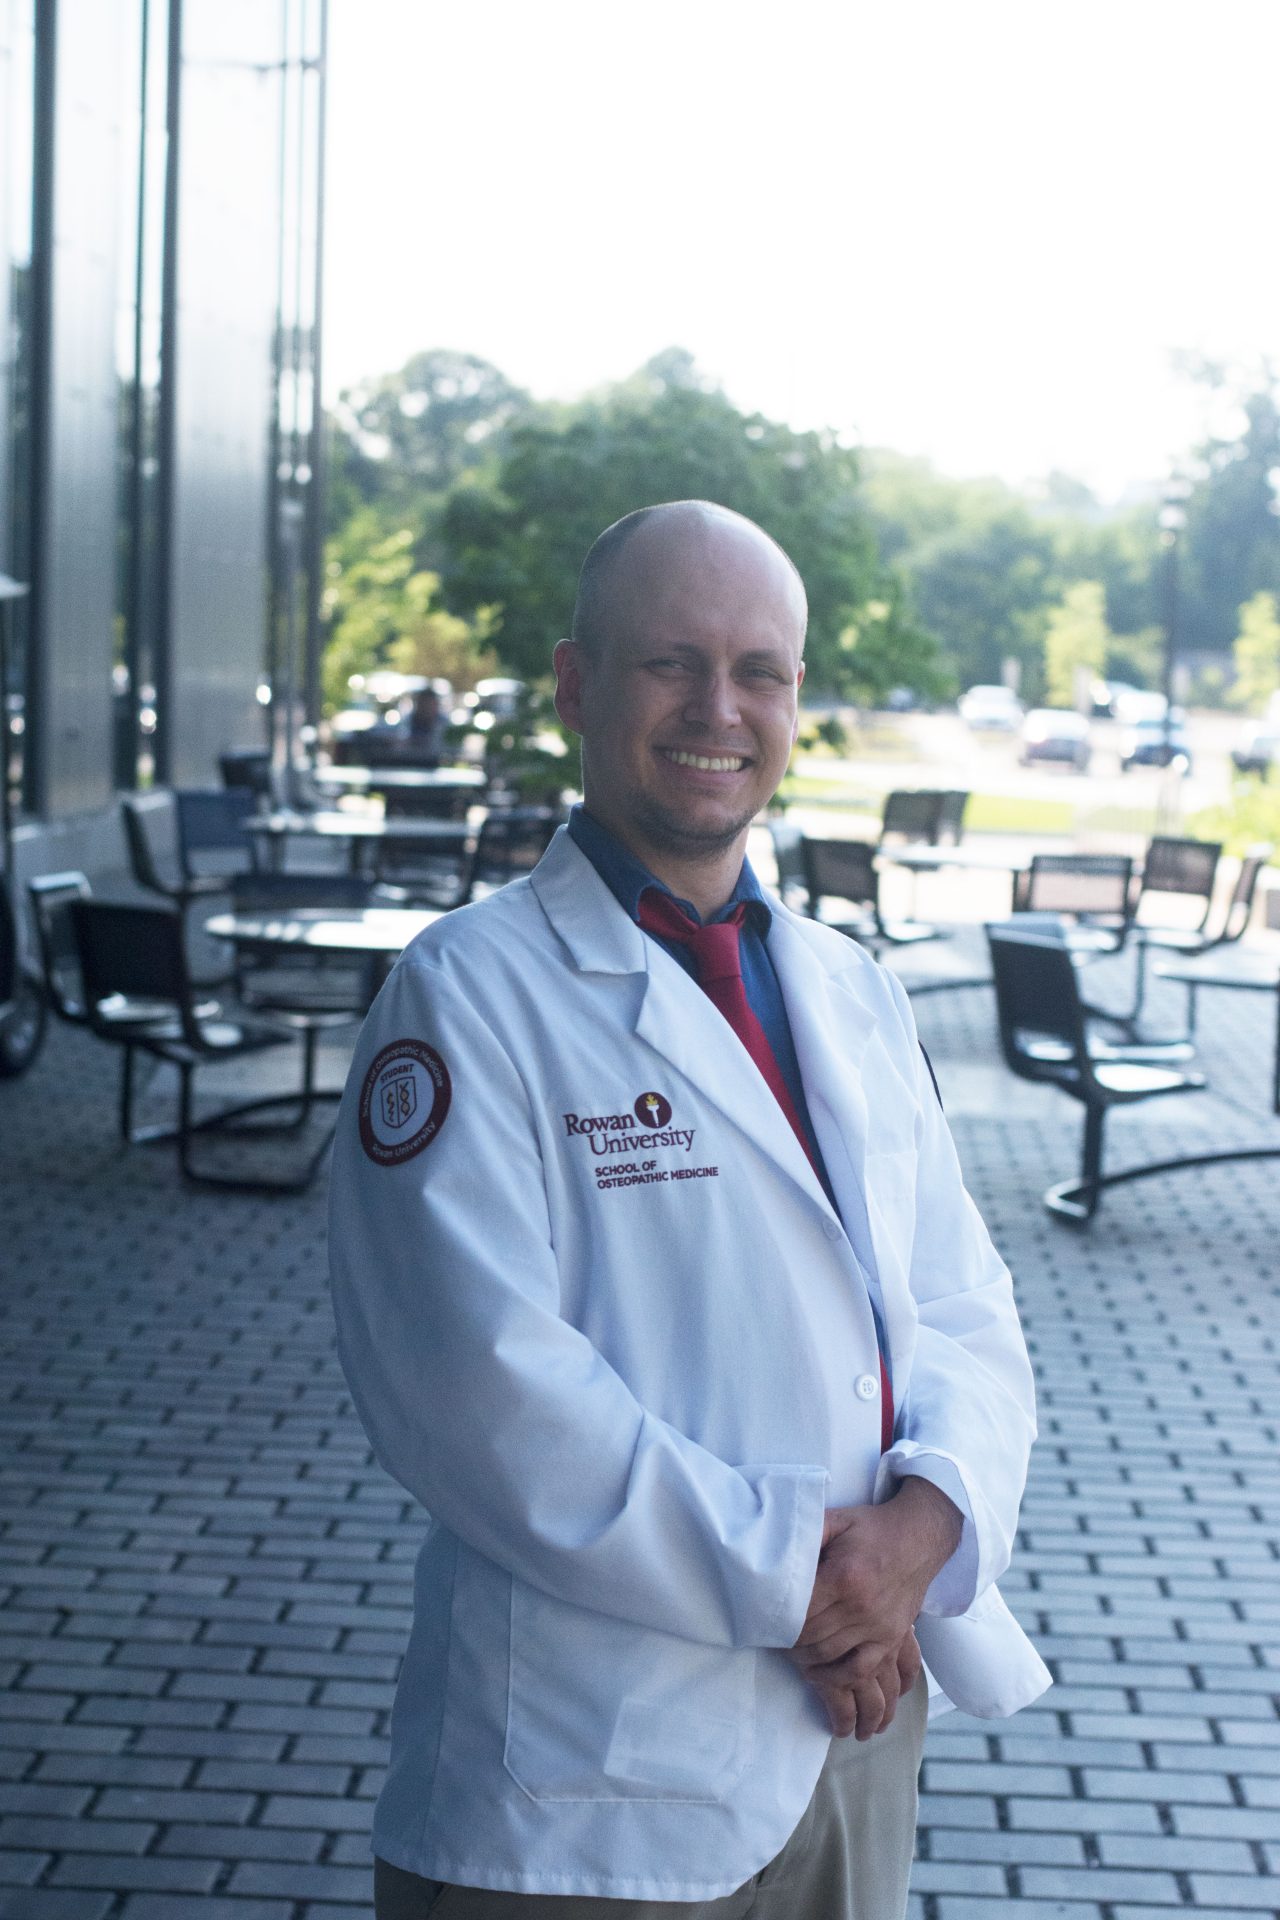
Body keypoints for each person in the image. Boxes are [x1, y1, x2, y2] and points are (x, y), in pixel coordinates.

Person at [328, 501, 1049, 1920]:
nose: (721, 708)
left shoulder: (851, 987)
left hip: (852, 1748)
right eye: (671, 663)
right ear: (578, 686)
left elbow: (964, 1305)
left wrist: (930, 1527)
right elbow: (482, 1401)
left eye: (761, 671)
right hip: (591, 1788)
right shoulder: (464, 1000)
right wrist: (815, 1584)